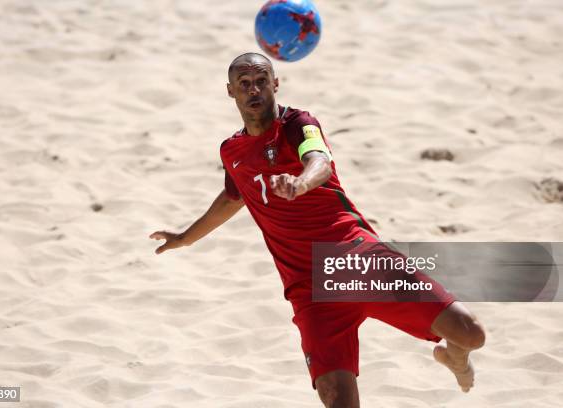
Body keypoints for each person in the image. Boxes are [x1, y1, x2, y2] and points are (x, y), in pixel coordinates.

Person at [150, 52, 485, 407]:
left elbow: (320, 161)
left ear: (275, 84)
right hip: (310, 290)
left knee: (472, 333)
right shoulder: (232, 150)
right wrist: (185, 237)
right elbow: (233, 197)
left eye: (262, 80)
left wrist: (300, 184)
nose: (254, 90)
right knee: (336, 398)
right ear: (230, 92)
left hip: (357, 260)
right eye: (244, 84)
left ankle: (457, 356)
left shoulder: (298, 124)